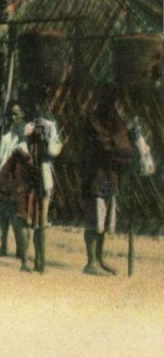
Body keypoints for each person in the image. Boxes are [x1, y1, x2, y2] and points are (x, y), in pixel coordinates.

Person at [0, 94, 62, 273]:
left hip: (41, 177)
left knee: (41, 222)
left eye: (18, 114)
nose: (15, 118)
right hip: (22, 179)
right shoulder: (13, 132)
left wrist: (44, 141)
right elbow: (6, 156)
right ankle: (25, 260)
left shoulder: (47, 127)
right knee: (22, 219)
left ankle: (40, 262)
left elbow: (54, 149)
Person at [81, 85, 134, 276]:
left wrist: (120, 140)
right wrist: (117, 141)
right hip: (95, 178)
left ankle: (100, 258)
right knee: (94, 221)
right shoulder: (93, 121)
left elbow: (125, 147)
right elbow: (106, 145)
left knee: (103, 222)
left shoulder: (115, 121)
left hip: (110, 178)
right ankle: (91, 262)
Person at [0, 101, 27, 258]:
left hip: (18, 177)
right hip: (5, 176)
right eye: (12, 114)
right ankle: (3, 246)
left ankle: (21, 249)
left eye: (17, 114)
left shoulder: (26, 132)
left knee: (17, 215)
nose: (14, 117)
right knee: (3, 213)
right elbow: (1, 156)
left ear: (22, 114)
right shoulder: (6, 135)